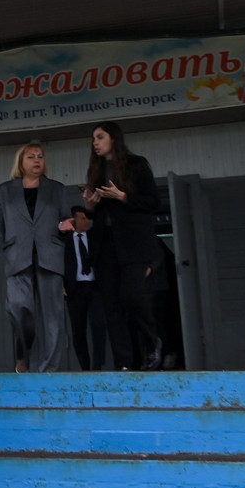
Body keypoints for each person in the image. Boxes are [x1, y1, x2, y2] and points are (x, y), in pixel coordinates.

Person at [0, 142, 73, 373]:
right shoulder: (4, 191)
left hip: (50, 256)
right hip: (17, 256)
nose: (37, 160)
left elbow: (64, 219)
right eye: (31, 156)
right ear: (20, 162)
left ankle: (47, 369)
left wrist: (65, 225)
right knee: (19, 310)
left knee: (52, 316)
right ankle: (24, 357)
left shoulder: (56, 189)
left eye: (40, 156)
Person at [82, 121, 163, 371]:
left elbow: (153, 202)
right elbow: (95, 215)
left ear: (114, 138)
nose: (95, 142)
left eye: (100, 137)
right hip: (105, 244)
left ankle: (153, 341)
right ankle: (124, 362)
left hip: (133, 244)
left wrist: (123, 196)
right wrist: (90, 206)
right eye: (93, 139)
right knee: (112, 306)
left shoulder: (137, 164)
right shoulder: (96, 170)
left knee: (132, 295)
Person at [63, 205, 109, 371]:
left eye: (87, 218)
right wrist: (62, 284)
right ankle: (85, 366)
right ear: (74, 220)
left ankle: (98, 365)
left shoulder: (93, 237)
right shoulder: (65, 240)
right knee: (78, 329)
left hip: (94, 286)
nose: (86, 221)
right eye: (82, 218)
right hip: (75, 288)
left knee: (99, 324)